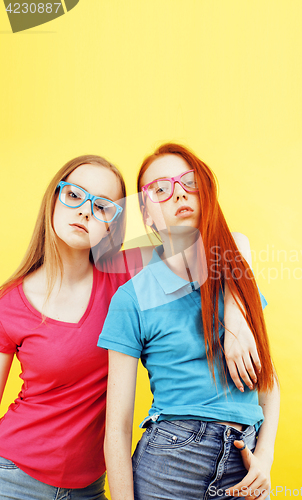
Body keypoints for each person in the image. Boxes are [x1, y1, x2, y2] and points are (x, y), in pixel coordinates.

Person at [0, 154, 258, 500]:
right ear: (53, 200)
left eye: (104, 206)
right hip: (14, 476)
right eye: (74, 195)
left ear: (113, 225)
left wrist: (237, 318)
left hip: (90, 488)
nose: (86, 210)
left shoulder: (126, 272)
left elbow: (226, 244)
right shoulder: (9, 303)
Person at [99, 143, 280, 500]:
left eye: (189, 181)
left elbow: (268, 383)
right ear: (146, 214)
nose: (179, 192)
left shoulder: (239, 283)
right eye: (161, 189)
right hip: (170, 460)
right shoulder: (132, 298)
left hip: (245, 464)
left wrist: (265, 458)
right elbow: (116, 429)